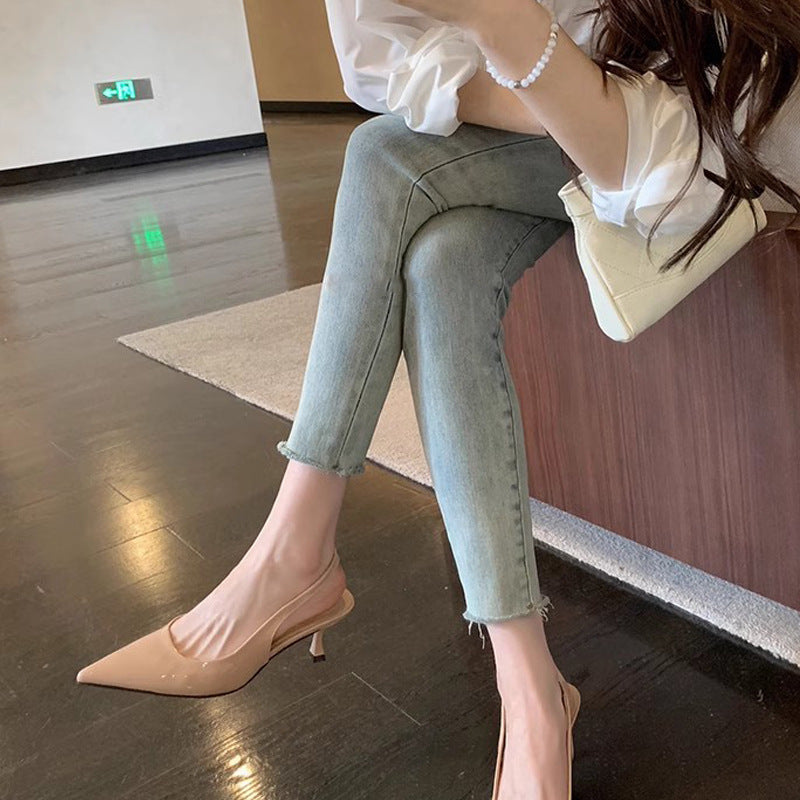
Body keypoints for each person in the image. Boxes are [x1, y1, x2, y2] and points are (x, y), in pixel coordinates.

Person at [76, 1, 800, 798]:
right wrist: (528, 71)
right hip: (564, 125)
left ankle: (293, 556)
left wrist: (503, 33)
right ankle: (530, 689)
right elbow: (376, 67)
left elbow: (683, 122)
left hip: (717, 133)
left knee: (384, 154)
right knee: (442, 263)